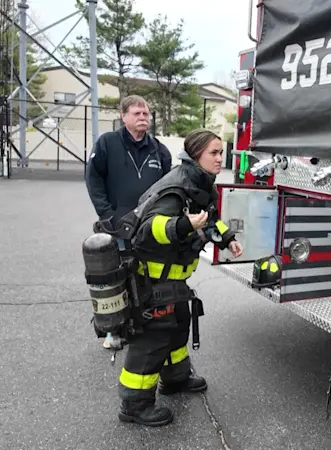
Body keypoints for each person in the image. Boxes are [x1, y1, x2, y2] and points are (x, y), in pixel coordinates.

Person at [116, 129, 243, 427]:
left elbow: (209, 219)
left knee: (178, 327)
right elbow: (148, 230)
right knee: (153, 339)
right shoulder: (176, 189)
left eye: (221, 152)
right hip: (154, 281)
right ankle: (134, 405)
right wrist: (183, 225)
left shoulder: (198, 182)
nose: (220, 158)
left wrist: (228, 239)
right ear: (196, 155)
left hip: (174, 281)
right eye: (213, 153)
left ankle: (175, 378)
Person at [85, 95, 172, 349]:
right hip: (117, 224)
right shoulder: (107, 143)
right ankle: (113, 330)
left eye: (146, 114)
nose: (143, 118)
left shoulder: (159, 150)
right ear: (123, 116)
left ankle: (142, 323)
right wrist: (106, 215)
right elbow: (93, 179)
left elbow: (168, 187)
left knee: (146, 275)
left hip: (150, 225)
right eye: (137, 113)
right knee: (117, 276)